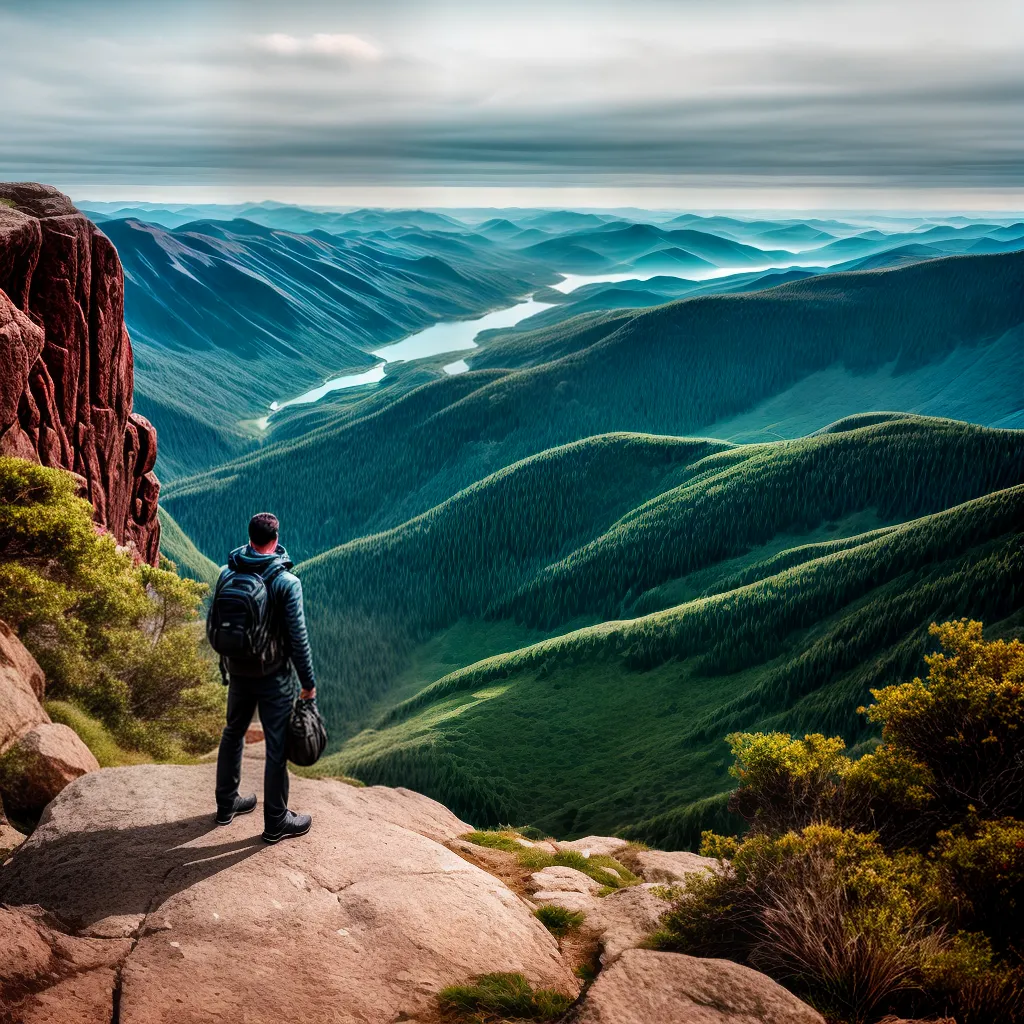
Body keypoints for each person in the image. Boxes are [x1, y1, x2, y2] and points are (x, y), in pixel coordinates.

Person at [213, 512, 316, 843]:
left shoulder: (227, 573)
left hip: (237, 669)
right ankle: (275, 822)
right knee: (276, 746)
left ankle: (227, 804)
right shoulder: (286, 582)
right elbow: (298, 639)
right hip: (273, 677)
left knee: (233, 733)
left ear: (250, 537)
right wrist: (308, 683)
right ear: (275, 539)